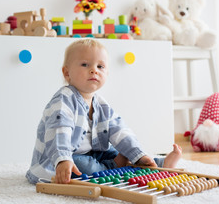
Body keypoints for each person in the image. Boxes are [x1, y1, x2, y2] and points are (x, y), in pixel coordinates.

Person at [26, 38, 182, 184]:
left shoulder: (102, 104)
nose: (94, 70)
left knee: (119, 148)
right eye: (85, 65)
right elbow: (58, 132)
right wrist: (62, 159)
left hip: (94, 153)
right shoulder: (63, 100)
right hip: (61, 157)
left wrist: (138, 154)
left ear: (107, 73)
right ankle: (115, 166)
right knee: (83, 166)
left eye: (100, 66)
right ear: (67, 73)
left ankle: (156, 162)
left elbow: (119, 130)